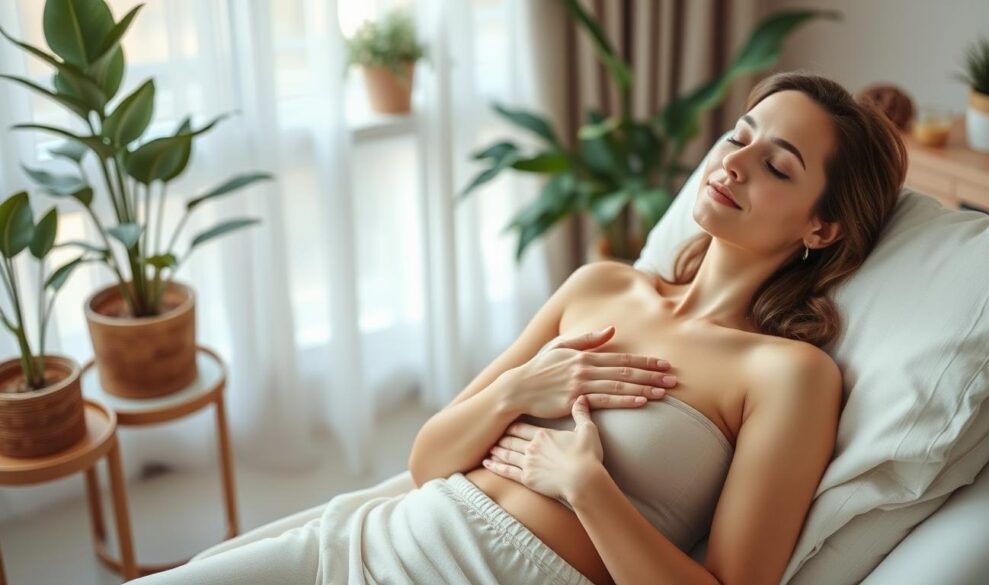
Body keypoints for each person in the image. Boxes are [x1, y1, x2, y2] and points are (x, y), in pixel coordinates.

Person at [129, 71, 907, 585]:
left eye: (779, 165)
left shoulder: (789, 374)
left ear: (822, 228)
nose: (734, 162)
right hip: (385, 537)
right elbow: (430, 458)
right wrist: (518, 389)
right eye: (739, 135)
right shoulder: (604, 283)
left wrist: (587, 486)